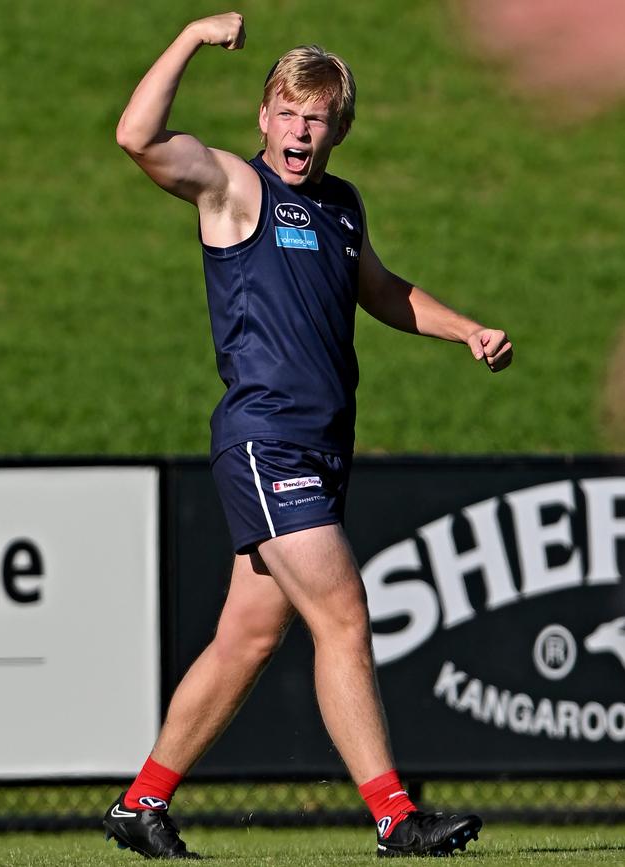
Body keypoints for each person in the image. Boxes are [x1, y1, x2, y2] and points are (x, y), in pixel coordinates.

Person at [103, 11, 513, 860]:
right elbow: (136, 134)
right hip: (266, 441)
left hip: (320, 449)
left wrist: (466, 329)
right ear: (264, 117)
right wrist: (189, 36)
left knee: (248, 636)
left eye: (317, 116)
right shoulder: (233, 187)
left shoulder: (339, 205)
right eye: (288, 111)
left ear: (338, 130)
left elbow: (386, 292)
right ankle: (396, 816)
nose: (300, 129)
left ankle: (139, 803)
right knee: (344, 613)